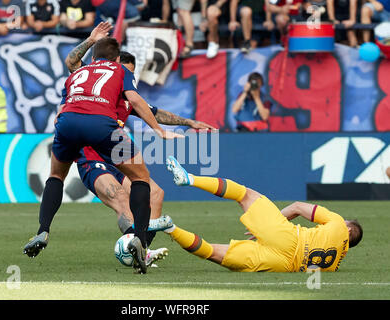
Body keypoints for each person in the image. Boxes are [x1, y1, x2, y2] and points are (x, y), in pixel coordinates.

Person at [23, 30, 183, 273]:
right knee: (141, 178)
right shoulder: (120, 72)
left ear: (94, 56)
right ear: (117, 59)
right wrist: (158, 131)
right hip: (101, 124)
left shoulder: (77, 72)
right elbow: (136, 100)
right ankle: (139, 238)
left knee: (55, 177)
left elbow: (66, 102)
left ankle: (43, 230)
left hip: (67, 121)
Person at [163, 155, 363, 272]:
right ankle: (170, 228)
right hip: (283, 264)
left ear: (347, 227)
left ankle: (189, 178)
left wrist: (273, 223)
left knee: (245, 194)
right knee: (212, 253)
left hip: (288, 238)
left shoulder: (337, 223)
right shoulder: (334, 265)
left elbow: (297, 207)